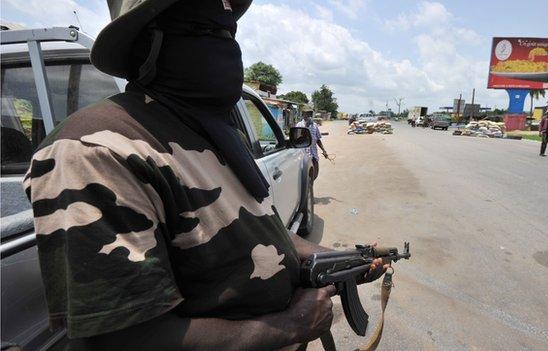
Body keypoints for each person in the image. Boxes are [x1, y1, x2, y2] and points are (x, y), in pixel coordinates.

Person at [22, 0, 386, 349]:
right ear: (148, 45)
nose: (227, 48)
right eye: (204, 29)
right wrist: (292, 325)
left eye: (229, 32)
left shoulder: (210, 132)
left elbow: (263, 230)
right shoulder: (94, 149)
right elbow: (125, 340)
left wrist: (341, 260)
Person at [296, 111, 328, 180]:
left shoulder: (314, 125)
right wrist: (306, 127)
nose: (307, 115)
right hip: (303, 155)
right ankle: (308, 189)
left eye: (309, 114)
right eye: (306, 113)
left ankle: (310, 187)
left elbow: (318, 140)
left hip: (313, 155)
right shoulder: (299, 125)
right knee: (305, 177)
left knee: (315, 175)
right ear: (302, 114)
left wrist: (324, 150)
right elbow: (297, 139)